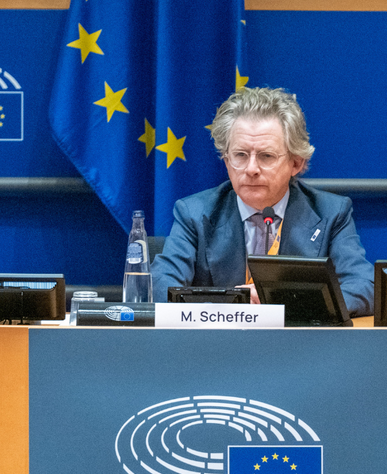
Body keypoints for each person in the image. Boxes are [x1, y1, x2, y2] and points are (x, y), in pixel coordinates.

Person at [151, 87, 374, 317]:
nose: (251, 169)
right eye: (240, 155)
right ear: (226, 161)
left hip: (298, 338)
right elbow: (161, 286)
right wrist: (230, 306)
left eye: (266, 156)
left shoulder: (331, 214)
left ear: (296, 163)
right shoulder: (194, 214)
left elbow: (363, 286)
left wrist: (283, 303)